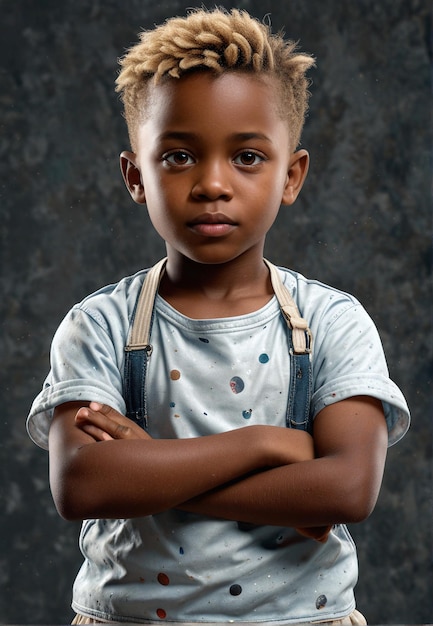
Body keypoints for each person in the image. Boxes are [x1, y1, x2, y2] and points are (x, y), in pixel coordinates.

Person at [27, 8, 410, 626]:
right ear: (135, 177)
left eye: (248, 158)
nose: (212, 183)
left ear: (292, 176)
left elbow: (345, 490)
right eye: (177, 157)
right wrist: (267, 445)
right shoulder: (99, 325)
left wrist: (151, 464)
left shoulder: (331, 321)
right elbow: (84, 486)